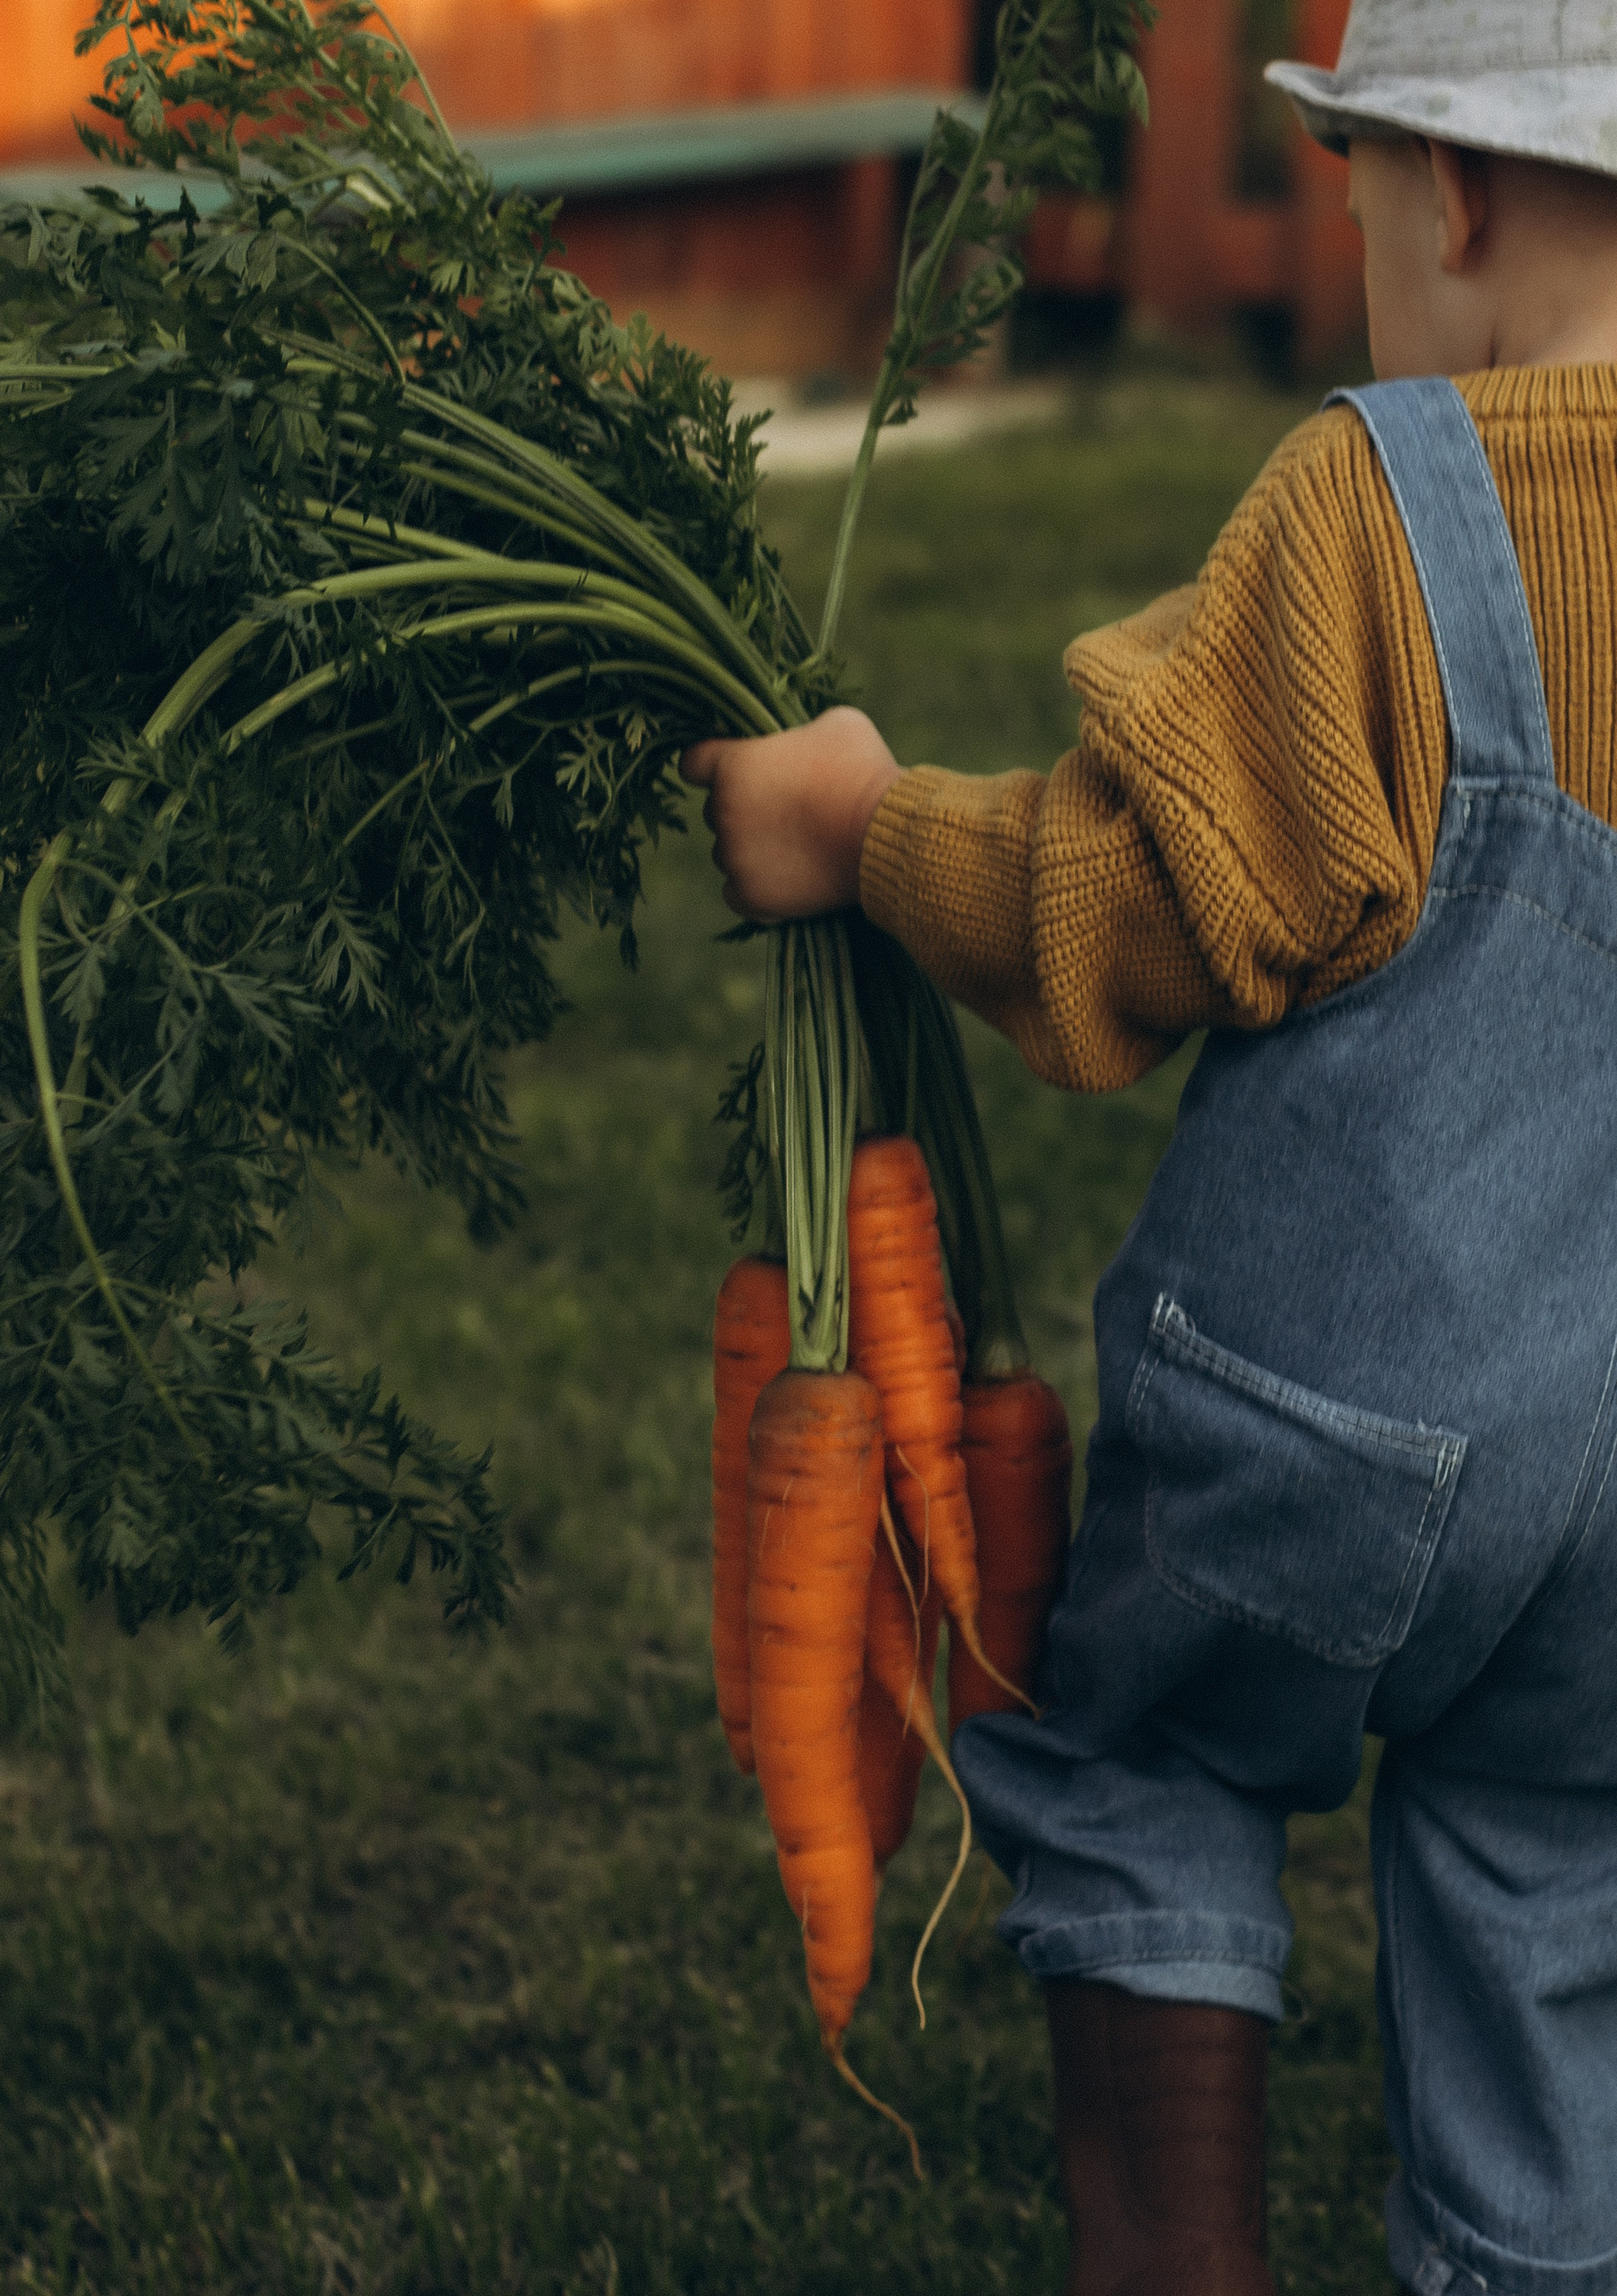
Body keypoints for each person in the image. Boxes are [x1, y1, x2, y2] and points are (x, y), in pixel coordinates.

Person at [681, 6, 1617, 2290]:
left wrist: (860, 821)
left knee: (1135, 1756)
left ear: (1457, 193)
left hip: (1345, 1431)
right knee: (1559, 1852)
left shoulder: (1389, 508)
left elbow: (1116, 911)